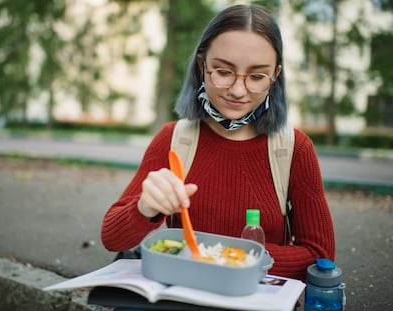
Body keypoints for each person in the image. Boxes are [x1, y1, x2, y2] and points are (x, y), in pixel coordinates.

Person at [101, 4, 335, 282]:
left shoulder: (295, 148)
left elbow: (320, 255)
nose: (238, 90)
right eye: (224, 72)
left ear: (276, 76)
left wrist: (227, 260)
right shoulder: (174, 139)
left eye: (257, 77)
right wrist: (144, 208)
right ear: (202, 66)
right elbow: (111, 238)